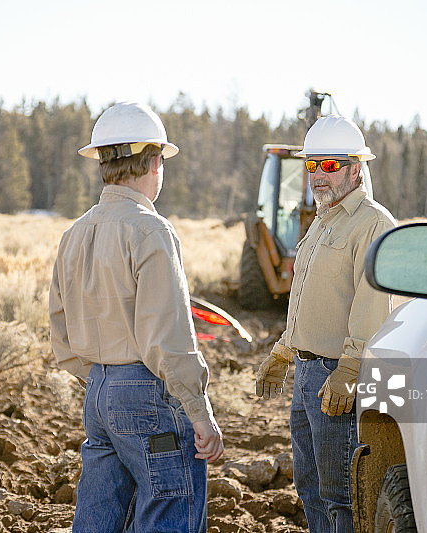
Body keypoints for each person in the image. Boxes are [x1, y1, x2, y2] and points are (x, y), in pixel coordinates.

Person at [49, 102, 224, 533]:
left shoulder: (75, 233)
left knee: (99, 520)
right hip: (145, 393)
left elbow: (59, 324)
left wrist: (104, 382)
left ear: (104, 162)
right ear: (153, 161)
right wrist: (199, 411)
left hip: (98, 393)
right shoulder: (150, 229)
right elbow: (168, 335)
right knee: (170, 510)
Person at [255, 115, 397, 533]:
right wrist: (283, 353)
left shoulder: (372, 223)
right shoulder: (322, 219)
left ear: (356, 168)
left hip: (337, 379)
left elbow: (371, 305)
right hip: (306, 373)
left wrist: (349, 370)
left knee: (343, 499)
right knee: (311, 490)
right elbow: (306, 300)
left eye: (330, 165)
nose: (318, 174)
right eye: (312, 165)